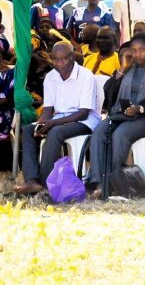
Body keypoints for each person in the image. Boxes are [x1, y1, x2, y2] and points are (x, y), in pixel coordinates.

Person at [85, 34, 145, 197]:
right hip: (120, 115)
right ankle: (98, 181)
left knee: (120, 134)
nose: (137, 54)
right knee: (99, 131)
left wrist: (139, 109)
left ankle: (113, 181)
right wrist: (122, 69)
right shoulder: (128, 68)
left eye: (142, 50)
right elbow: (110, 95)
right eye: (134, 51)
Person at [14, 42, 100, 195]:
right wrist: (42, 123)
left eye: (64, 59)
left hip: (85, 120)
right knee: (28, 130)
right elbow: (48, 109)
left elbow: (84, 113)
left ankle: (44, 183)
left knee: (56, 132)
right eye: (55, 59)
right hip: (60, 118)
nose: (59, 63)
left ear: (72, 57)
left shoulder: (86, 76)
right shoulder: (50, 77)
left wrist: (52, 123)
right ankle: (31, 180)